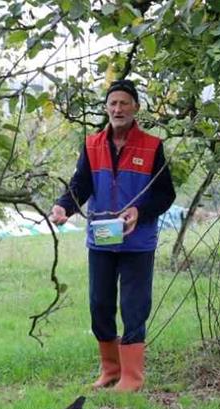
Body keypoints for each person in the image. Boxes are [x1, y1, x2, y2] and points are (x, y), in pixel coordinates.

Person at [50, 78, 175, 393]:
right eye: (113, 103)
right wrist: (64, 206)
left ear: (135, 108)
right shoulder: (92, 144)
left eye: (124, 103)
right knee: (99, 305)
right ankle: (110, 371)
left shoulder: (152, 146)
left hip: (138, 242)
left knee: (134, 306)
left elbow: (165, 195)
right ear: (106, 108)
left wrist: (140, 212)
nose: (118, 109)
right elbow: (81, 185)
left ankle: (132, 377)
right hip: (102, 239)